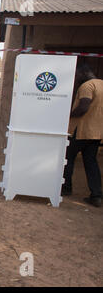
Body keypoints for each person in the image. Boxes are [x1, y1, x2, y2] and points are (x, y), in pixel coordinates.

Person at [62, 64, 102, 207]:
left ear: (85, 73)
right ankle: (96, 195)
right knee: (91, 162)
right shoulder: (101, 85)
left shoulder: (87, 86)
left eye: (77, 75)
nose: (76, 78)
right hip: (96, 133)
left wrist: (68, 115)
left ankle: (66, 188)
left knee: (68, 158)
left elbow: (84, 106)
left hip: (81, 131)